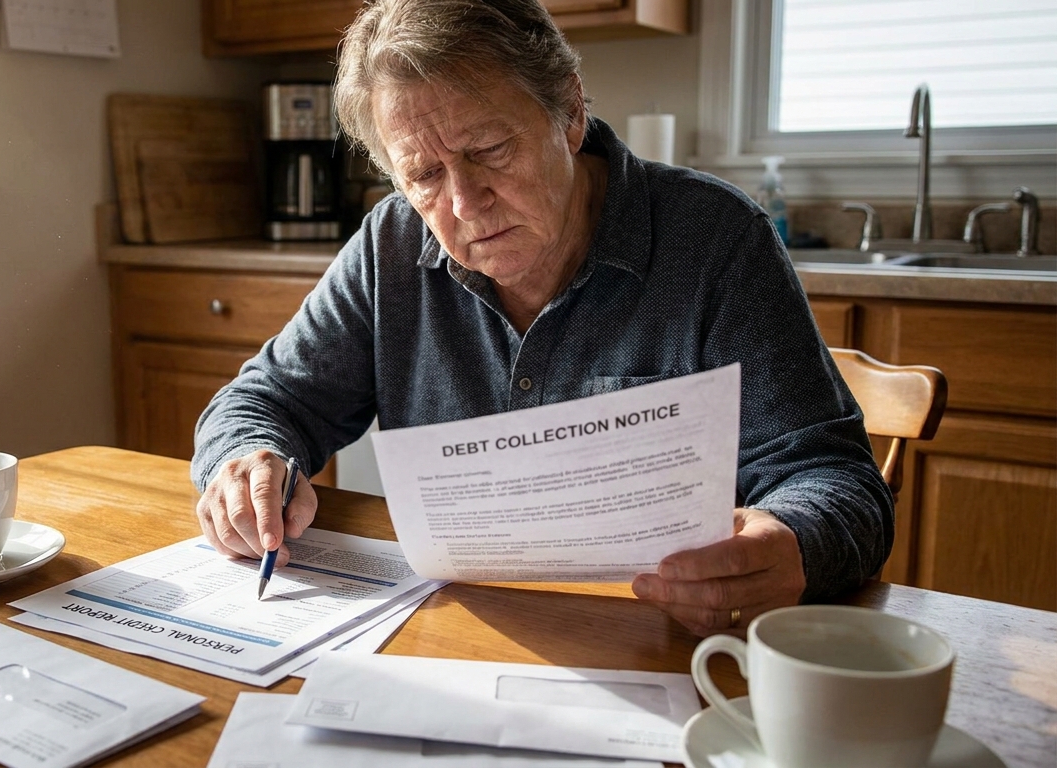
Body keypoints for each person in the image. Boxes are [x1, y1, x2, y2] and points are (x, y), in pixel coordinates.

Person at [191, 0, 893, 636]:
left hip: (666, 640)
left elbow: (833, 477)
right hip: (461, 632)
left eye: (490, 151)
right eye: (425, 177)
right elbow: (267, 401)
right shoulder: (391, 244)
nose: (465, 204)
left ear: (570, 112)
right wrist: (245, 463)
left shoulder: (714, 239)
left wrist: (790, 539)